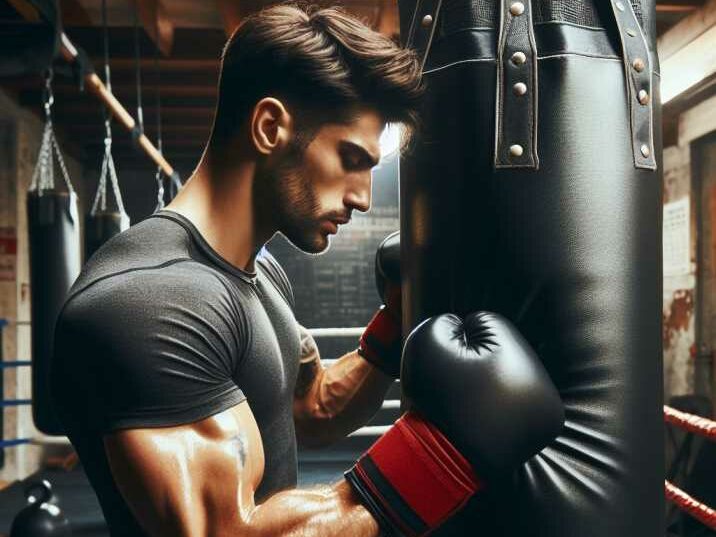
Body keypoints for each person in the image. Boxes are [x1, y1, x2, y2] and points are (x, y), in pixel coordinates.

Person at [51, 4, 563, 536]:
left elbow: (311, 406)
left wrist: (390, 331)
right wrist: (436, 460)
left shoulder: (259, 274)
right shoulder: (152, 303)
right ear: (270, 126)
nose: (364, 198)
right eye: (351, 159)